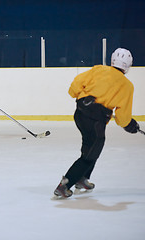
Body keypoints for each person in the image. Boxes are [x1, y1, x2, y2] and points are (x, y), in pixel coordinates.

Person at [54, 48, 141, 199]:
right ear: (128, 65)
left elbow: (76, 84)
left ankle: (82, 179)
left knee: (90, 147)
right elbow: (122, 117)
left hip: (80, 114)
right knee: (90, 153)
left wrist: (76, 94)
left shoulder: (99, 69)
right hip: (95, 123)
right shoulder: (127, 85)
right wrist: (130, 125)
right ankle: (65, 185)